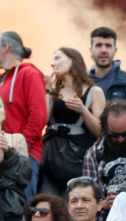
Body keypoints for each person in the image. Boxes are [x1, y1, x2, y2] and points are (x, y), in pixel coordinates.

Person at [0, 31, 47, 200]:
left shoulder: (30, 74)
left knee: (21, 213)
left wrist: (19, 149)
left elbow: (38, 117)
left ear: (5, 48)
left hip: (24, 157)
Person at [41, 47, 106, 197]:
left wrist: (83, 110)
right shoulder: (52, 91)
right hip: (50, 156)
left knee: (71, 201)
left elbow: (100, 132)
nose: (52, 63)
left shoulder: (94, 92)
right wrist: (47, 89)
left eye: (57, 58)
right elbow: (43, 121)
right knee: (48, 203)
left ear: (73, 60)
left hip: (75, 158)